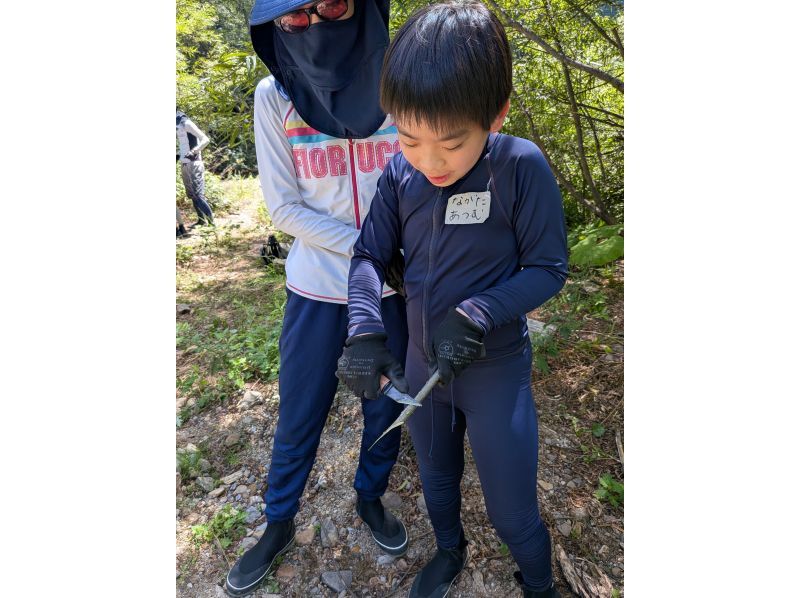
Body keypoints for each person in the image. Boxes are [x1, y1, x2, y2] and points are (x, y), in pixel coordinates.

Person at [336, 3, 568, 597]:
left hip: (493, 369)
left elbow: (547, 268)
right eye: (410, 138)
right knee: (437, 478)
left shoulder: (518, 167)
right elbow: (367, 257)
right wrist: (364, 329)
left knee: (511, 505)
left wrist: (481, 311)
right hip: (421, 363)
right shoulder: (399, 177)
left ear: (497, 113)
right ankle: (448, 550)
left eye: (452, 142)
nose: (430, 162)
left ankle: (538, 583)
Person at [224, 1, 410, 596]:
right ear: (273, 27)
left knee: (386, 405)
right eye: (294, 18)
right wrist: (369, 247)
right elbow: (284, 208)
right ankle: (278, 522)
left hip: (393, 292)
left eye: (330, 4)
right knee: (300, 408)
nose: (314, 26)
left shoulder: (400, 80)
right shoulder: (273, 97)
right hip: (317, 292)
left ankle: (370, 496)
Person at [176, 109, 215, 226]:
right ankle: (201, 221)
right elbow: (183, 144)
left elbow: (205, 139)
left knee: (198, 195)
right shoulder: (176, 123)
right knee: (192, 195)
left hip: (194, 162)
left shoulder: (186, 122)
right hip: (184, 163)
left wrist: (194, 151)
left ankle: (212, 224)